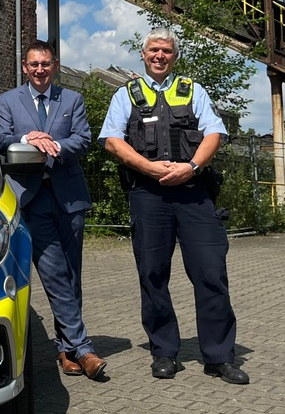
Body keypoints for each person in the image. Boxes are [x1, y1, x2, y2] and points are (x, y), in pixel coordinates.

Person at [97, 27, 249, 385]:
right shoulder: (126, 95)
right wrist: (149, 167)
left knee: (211, 273)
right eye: (154, 50)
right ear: (144, 54)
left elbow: (215, 133)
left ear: (174, 56)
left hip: (195, 193)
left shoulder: (193, 91)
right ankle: (164, 352)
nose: (159, 56)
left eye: (166, 50)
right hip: (148, 196)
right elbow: (111, 141)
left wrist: (192, 166)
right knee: (152, 274)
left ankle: (219, 357)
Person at [0, 40, 107, 380]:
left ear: (54, 65)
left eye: (46, 64)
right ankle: (84, 348)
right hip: (32, 197)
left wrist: (54, 144)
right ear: (25, 68)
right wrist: (29, 138)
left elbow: (84, 139)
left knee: (72, 273)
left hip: (70, 197)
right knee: (55, 271)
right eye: (34, 64)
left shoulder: (72, 99)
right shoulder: (6, 101)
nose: (40, 70)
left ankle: (66, 348)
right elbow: (0, 138)